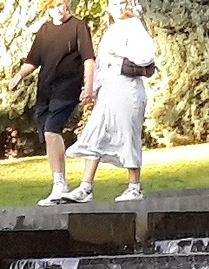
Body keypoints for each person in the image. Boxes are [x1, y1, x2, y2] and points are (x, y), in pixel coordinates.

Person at [67, 0, 157, 203]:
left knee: (128, 134)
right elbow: (101, 65)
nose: (117, 7)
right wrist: (90, 89)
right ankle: (85, 187)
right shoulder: (110, 30)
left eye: (120, 3)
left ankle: (134, 186)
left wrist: (122, 52)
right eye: (113, 3)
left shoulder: (134, 26)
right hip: (108, 91)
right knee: (96, 133)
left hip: (128, 89)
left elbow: (146, 56)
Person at [11, 0, 96, 207]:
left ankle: (59, 185)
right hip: (46, 89)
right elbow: (33, 60)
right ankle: (58, 183)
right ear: (46, 9)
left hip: (67, 87)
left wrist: (88, 87)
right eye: (52, 6)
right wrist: (18, 76)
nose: (57, 10)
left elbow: (89, 59)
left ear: (66, 5)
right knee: (48, 135)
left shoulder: (78, 26)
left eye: (60, 4)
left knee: (52, 130)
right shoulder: (45, 30)